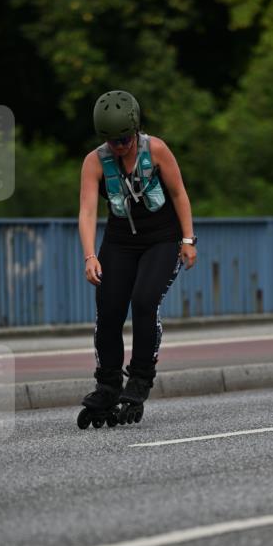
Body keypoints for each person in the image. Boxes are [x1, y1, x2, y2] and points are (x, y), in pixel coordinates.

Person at [77, 90, 197, 427]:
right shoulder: (94, 162)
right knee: (110, 309)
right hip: (119, 243)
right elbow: (86, 212)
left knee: (144, 302)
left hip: (162, 239)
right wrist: (90, 256)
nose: (119, 146)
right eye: (112, 141)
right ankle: (107, 385)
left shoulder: (156, 149)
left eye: (125, 139)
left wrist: (188, 240)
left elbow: (178, 193)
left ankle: (140, 379)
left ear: (136, 129)